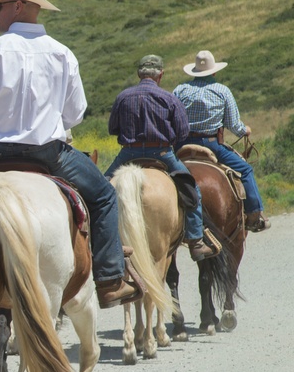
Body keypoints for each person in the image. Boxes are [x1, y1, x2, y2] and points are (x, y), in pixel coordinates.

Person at [0, 0, 139, 309]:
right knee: (104, 197)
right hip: (49, 155)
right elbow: (75, 113)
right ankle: (109, 279)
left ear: (18, 6)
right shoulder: (62, 54)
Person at [106, 54, 214, 261]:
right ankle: (196, 241)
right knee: (191, 190)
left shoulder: (123, 97)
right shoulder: (169, 98)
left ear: (139, 74)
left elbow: (113, 129)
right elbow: (182, 132)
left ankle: (98, 241)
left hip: (129, 153)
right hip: (162, 154)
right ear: (161, 75)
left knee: (100, 189)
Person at [173, 50, 269, 232]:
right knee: (246, 170)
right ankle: (255, 214)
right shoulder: (222, 91)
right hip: (211, 145)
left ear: (194, 71)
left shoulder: (180, 90)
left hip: (182, 144)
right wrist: (245, 130)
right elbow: (234, 125)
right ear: (214, 71)